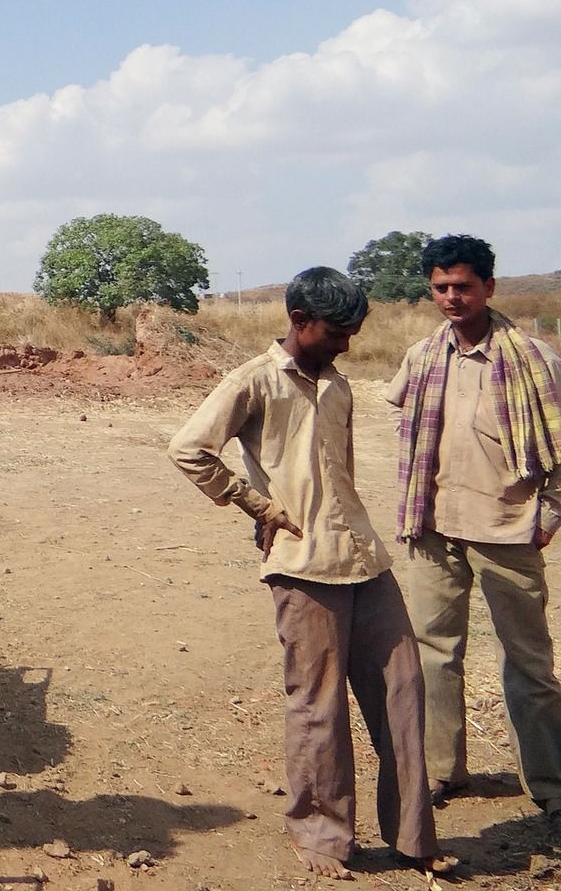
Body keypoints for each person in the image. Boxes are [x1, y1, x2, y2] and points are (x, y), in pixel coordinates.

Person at [169, 267, 444, 880]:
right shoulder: (254, 382)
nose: (347, 342)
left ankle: (413, 835)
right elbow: (188, 448)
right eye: (337, 331)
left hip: (366, 561)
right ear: (299, 322)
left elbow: (337, 479)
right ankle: (321, 837)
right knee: (318, 707)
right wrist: (259, 507)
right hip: (303, 566)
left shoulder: (338, 387)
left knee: (403, 692)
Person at [388, 233, 561, 819]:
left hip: (508, 529)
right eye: (441, 287)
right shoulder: (421, 357)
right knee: (433, 654)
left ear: (490, 286)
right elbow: (409, 433)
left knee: (529, 663)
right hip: (434, 529)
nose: (452, 297)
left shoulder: (536, 361)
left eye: (463, 285)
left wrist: (551, 512)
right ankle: (443, 772)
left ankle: (549, 785)